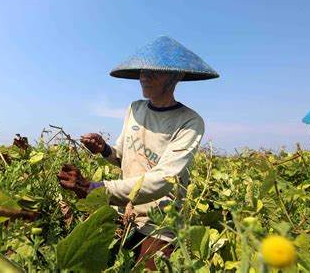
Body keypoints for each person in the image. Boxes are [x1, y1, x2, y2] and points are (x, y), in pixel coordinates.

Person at [57, 35, 219, 270]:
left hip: (159, 219)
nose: (145, 75)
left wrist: (94, 189)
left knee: (150, 266)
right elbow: (123, 157)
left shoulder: (190, 121)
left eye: (154, 71)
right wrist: (103, 149)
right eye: (142, 70)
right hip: (123, 211)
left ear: (176, 76)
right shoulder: (135, 108)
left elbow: (163, 180)